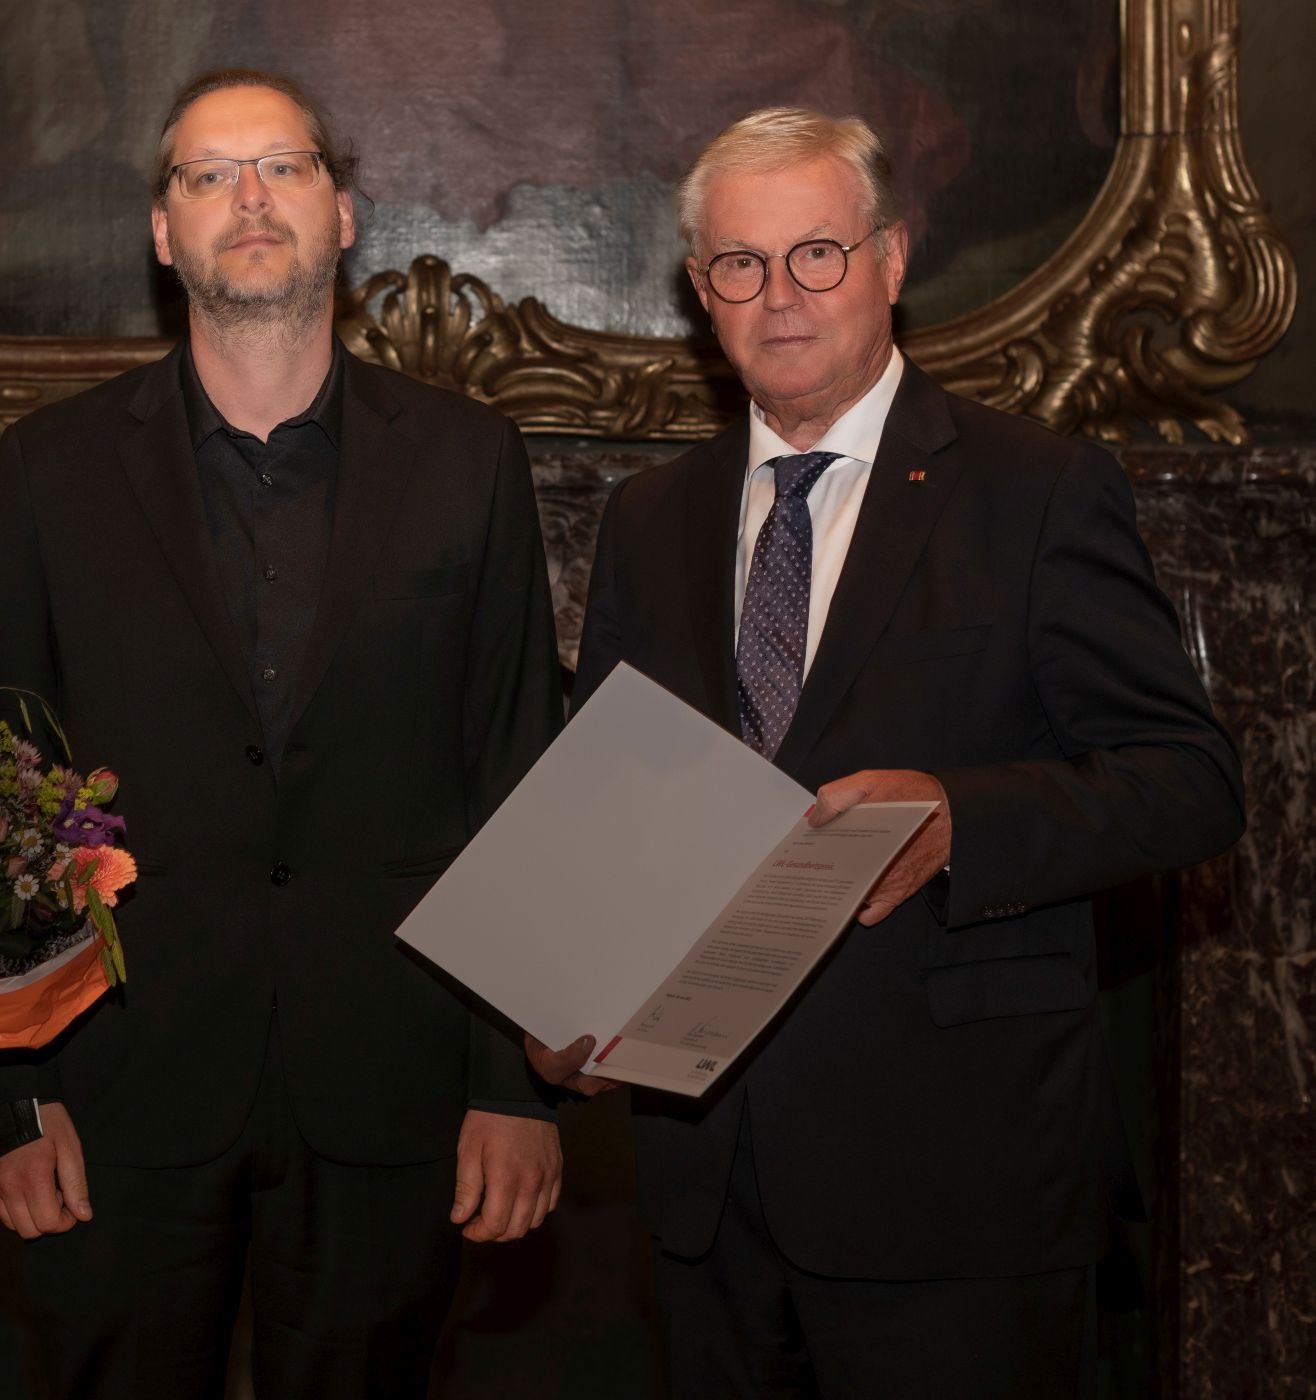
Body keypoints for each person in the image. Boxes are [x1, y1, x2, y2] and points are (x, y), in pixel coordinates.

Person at [529, 108, 1244, 1397]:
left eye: (817, 253)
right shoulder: (652, 518)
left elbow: (1189, 780)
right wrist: (565, 987)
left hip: (955, 1188)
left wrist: (963, 817)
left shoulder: (1035, 490)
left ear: (893, 259)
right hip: (708, 1188)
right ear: (702, 292)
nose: (780, 295)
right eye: (739, 265)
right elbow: (614, 802)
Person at [0, 68, 565, 1400]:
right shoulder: (50, 472)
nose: (249, 198)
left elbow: (513, 772)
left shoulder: (467, 461)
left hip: (394, 1094)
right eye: (208, 174)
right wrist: (1, 1095)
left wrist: (515, 1086)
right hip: (114, 1087)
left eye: (282, 167)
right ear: (161, 234)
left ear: (343, 213)